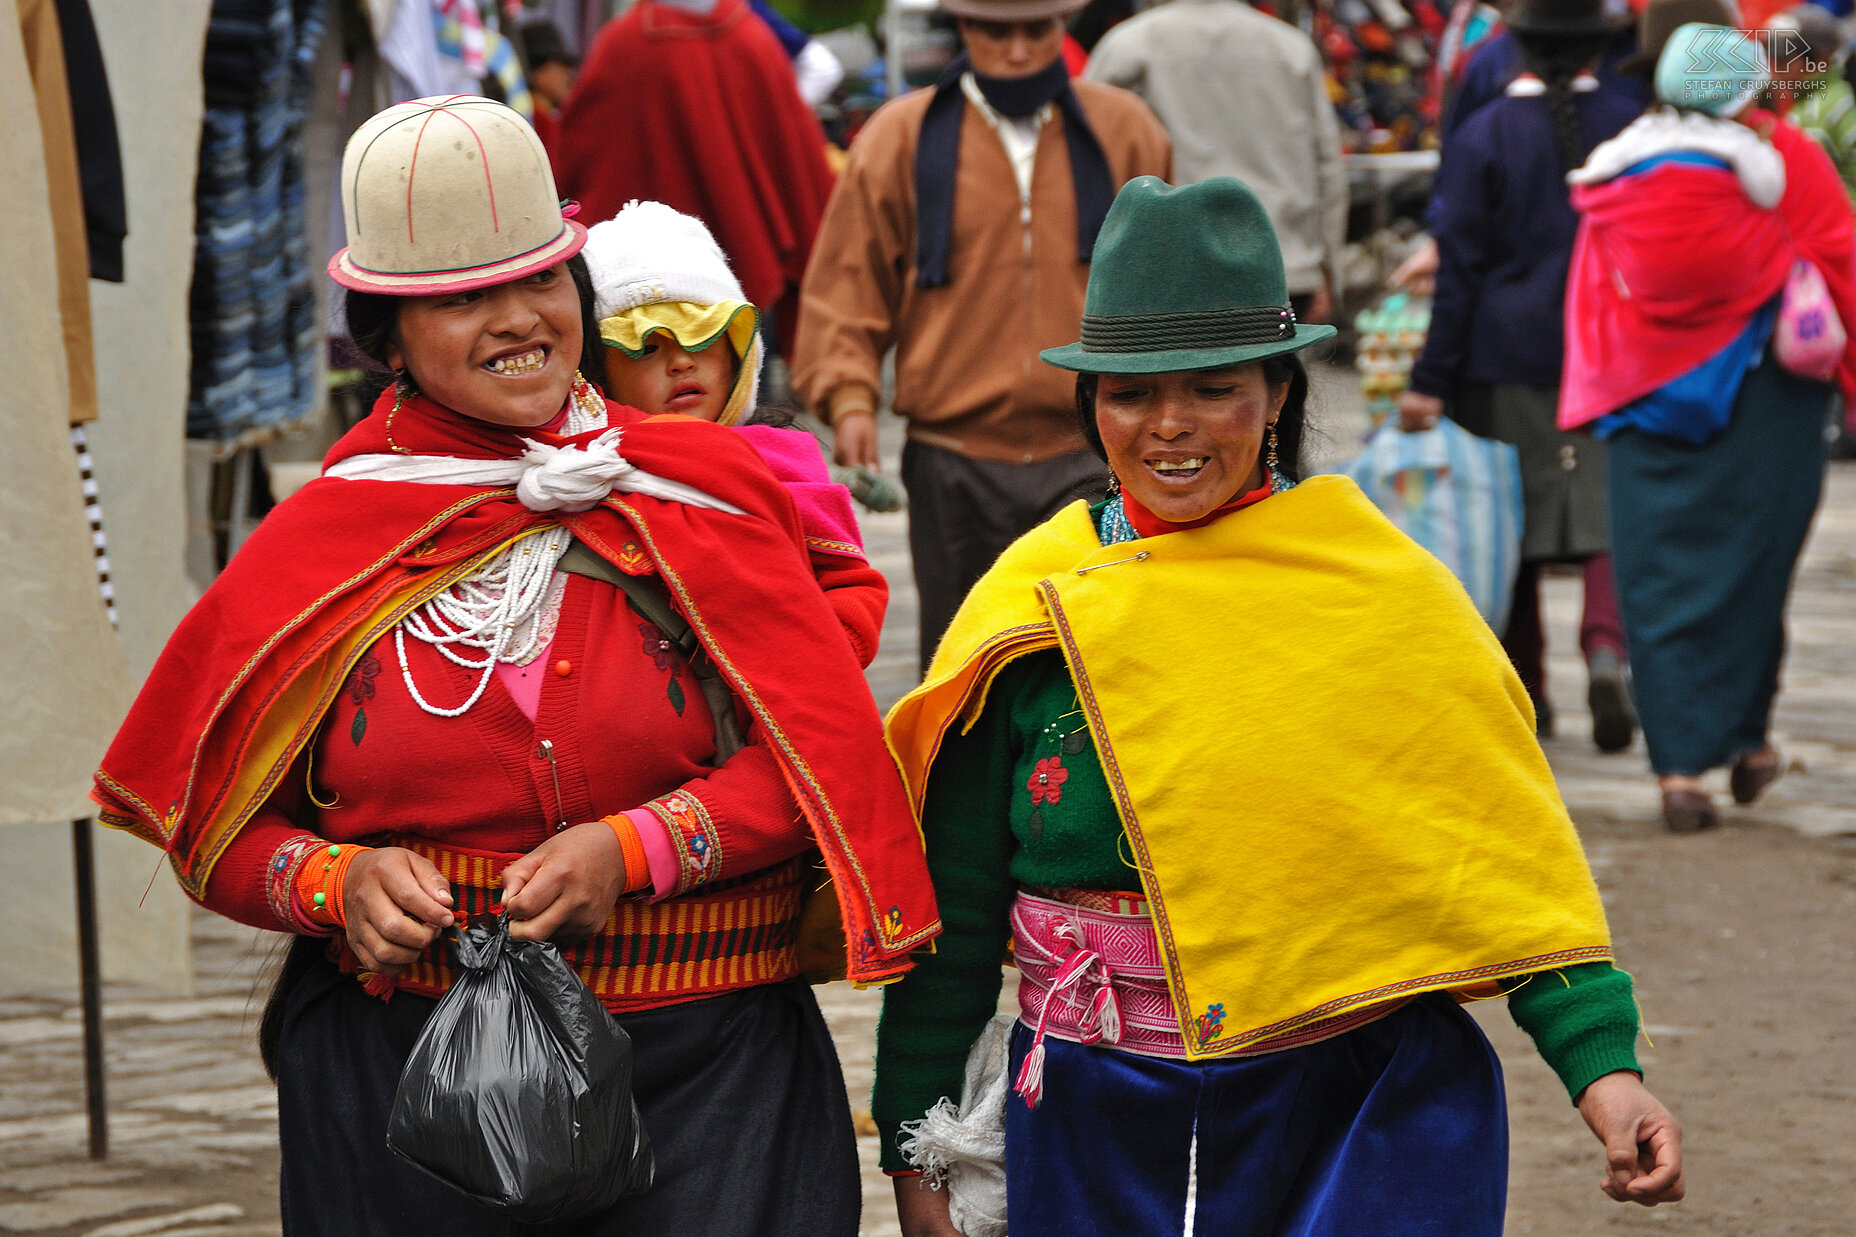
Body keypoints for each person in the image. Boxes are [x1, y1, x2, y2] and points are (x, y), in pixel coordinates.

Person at [92, 97, 939, 1236]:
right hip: (411, 1092)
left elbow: (820, 762)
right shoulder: (327, 539)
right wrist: (330, 884)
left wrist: (635, 847)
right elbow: (215, 827)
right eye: (460, 298)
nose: (517, 320)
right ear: (385, 339)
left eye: (540, 283)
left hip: (708, 1077)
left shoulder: (711, 496)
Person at [875, 176, 1685, 1236]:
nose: (1169, 426)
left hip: (1351, 1104)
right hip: (1090, 1113)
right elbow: (957, 909)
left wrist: (1604, 1072)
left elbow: (1492, 858)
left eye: (1213, 387)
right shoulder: (1036, 608)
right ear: (1089, 405)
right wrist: (915, 1141)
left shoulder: (1379, 595)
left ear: (1277, 394)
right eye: (1128, 393)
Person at [794, 0, 1171, 673]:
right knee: (964, 664)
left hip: (1092, 447)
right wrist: (849, 397)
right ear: (964, 28)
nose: (1018, 51)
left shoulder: (1125, 130)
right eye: (997, 30)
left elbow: (1166, 278)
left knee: (1097, 662)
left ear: (1064, 28)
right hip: (952, 454)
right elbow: (848, 281)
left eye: (1037, 29)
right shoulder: (898, 138)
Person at [1559, 20, 1856, 831]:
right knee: (1754, 569)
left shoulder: (1618, 168)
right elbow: (1840, 261)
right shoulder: (1790, 156)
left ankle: (1679, 771)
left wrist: (1593, 391)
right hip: (1768, 399)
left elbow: (1590, 290)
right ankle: (1749, 738)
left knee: (1654, 579)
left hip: (1646, 396)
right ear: (1747, 86)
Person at [1399, 0, 1642, 749]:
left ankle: (1529, 690)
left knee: (1512, 529)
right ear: (1601, 46)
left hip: (1500, 359)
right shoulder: (1631, 133)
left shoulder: (1484, 136)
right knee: (1605, 516)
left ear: (1517, 49)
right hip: (1611, 357)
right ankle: (1606, 649)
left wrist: (1429, 379)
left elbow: (1459, 275)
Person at [582, 198, 887, 666]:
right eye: (646, 348)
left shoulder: (781, 462)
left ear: (739, 354)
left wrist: (824, 655)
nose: (682, 362)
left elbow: (849, 583)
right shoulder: (582, 474)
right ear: (602, 371)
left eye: (701, 338)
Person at [553, 0, 836, 357]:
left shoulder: (622, 45)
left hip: (644, 283)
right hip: (746, 261)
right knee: (745, 377)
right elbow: (795, 157)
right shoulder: (753, 38)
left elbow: (576, 159)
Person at [1082, 0, 1345, 324]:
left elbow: (1085, 159)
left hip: (1167, 274)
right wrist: (1329, 269)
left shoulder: (1129, 45)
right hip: (1283, 266)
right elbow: (1327, 166)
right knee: (1277, 374)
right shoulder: (1292, 48)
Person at [1774, 3, 1856, 197]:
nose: (1776, 67)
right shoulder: (1815, 98)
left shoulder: (1822, 108)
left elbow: (1798, 179)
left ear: (1821, 59)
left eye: (1784, 58)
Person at [516, 20, 577, 159]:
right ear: (536, 72)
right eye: (560, 65)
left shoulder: (549, 118)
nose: (567, 73)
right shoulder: (537, 123)